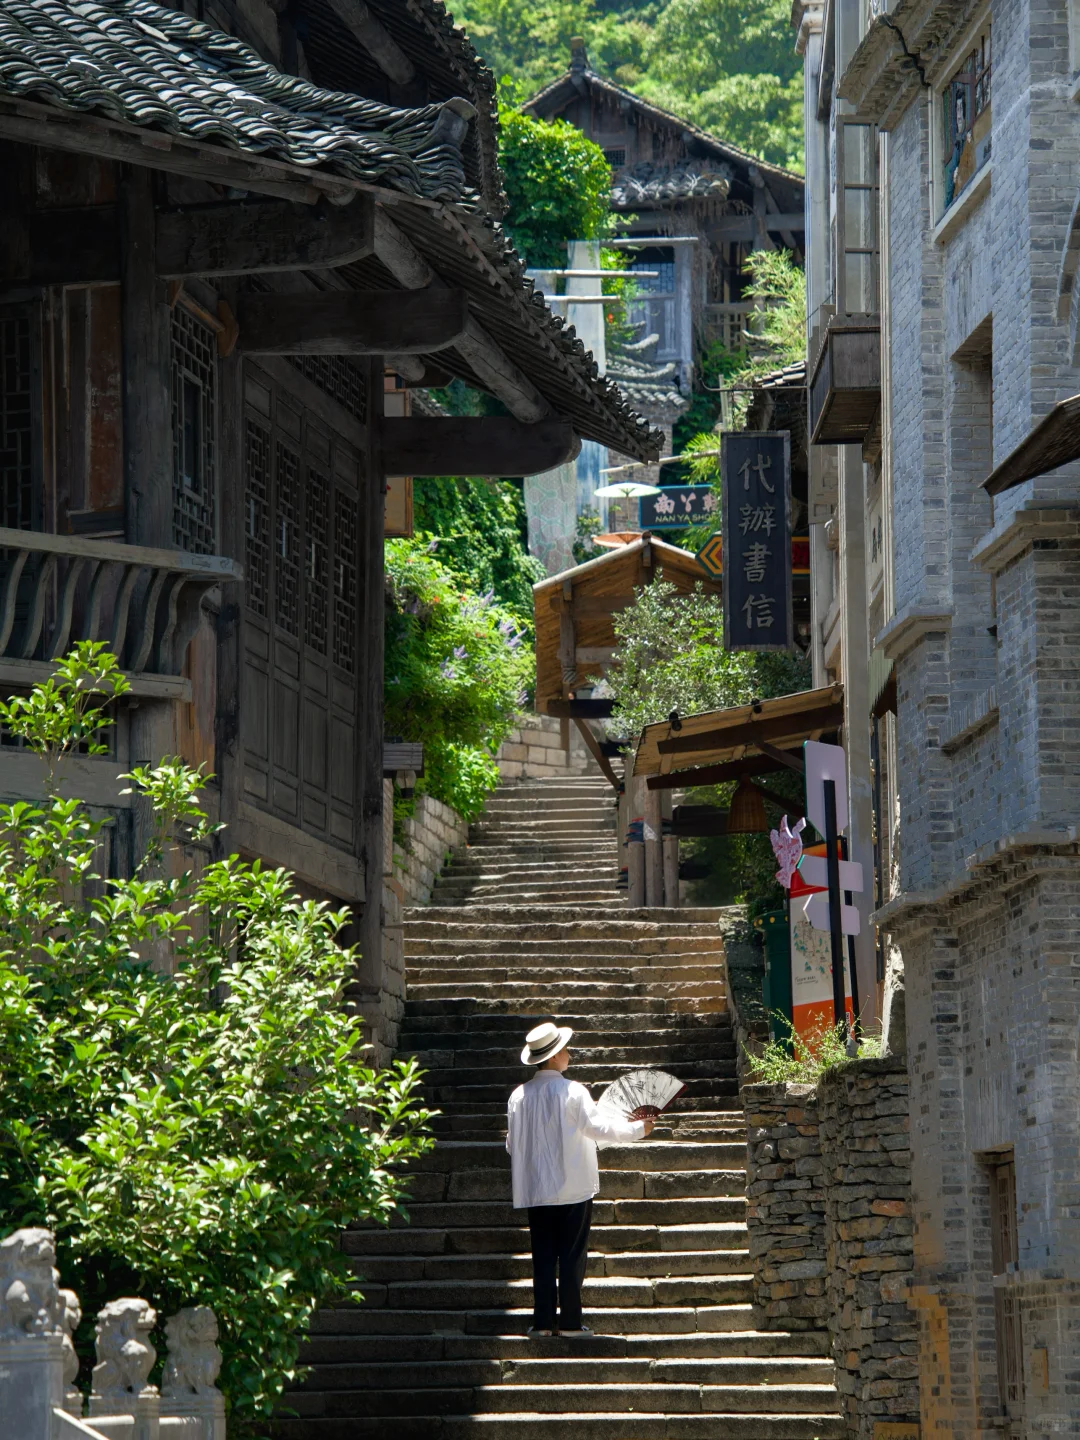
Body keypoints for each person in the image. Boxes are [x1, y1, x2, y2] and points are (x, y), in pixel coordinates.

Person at [506, 1021, 655, 1338]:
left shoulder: (518, 1097)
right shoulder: (574, 1092)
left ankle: (543, 1323)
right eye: (566, 1049)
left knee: (543, 1255)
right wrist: (638, 1130)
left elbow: (511, 1144)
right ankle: (571, 1322)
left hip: (536, 1190)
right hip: (574, 1187)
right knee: (573, 1254)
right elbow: (599, 1130)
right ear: (556, 1054)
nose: (569, 1053)